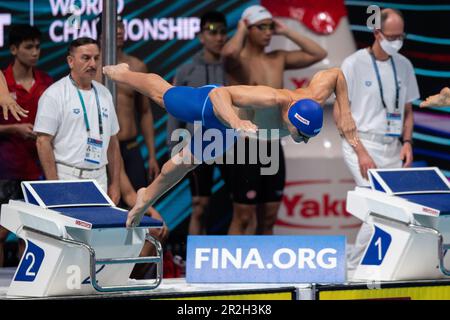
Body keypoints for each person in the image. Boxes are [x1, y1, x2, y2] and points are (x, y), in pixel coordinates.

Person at [102, 63, 358, 228]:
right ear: (289, 116)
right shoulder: (271, 99)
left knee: (182, 164)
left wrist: (344, 112)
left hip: (232, 131)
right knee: (164, 96)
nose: (303, 140)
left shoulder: (313, 97)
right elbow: (219, 94)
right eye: (300, 134)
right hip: (217, 109)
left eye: (308, 137)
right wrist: (236, 122)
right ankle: (124, 73)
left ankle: (145, 196)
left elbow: (335, 74)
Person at [221, 5, 328, 235]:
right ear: (248, 29)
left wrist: (286, 31)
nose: (268, 32)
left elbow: (318, 53)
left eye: (271, 27)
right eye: (262, 27)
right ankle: (231, 271)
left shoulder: (277, 58)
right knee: (243, 216)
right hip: (245, 146)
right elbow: (228, 54)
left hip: (272, 144)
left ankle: (263, 271)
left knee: (269, 215)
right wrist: (241, 27)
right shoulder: (238, 62)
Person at [339, 9, 420, 270]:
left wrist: (407, 142)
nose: (397, 41)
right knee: (377, 207)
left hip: (392, 145)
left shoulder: (404, 64)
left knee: (398, 209)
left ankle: (385, 265)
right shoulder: (353, 64)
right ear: (377, 33)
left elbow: (407, 110)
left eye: (401, 35)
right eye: (392, 36)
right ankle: (352, 268)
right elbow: (341, 113)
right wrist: (361, 151)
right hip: (360, 143)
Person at [34, 37, 121, 204]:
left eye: (96, 58)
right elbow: (42, 142)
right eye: (86, 58)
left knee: (97, 230)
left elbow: (113, 143)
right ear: (70, 61)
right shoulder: (54, 94)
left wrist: (115, 184)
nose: (93, 64)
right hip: (67, 177)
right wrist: (54, 186)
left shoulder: (105, 94)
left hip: (100, 178)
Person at [167, 11, 228, 235]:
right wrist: (173, 146)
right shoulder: (187, 70)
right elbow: (174, 111)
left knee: (235, 205)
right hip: (200, 145)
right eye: (213, 32)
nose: (219, 38)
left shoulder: (232, 68)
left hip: (231, 146)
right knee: (199, 206)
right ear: (201, 36)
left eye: (223, 32)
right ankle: (194, 263)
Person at [0, 24, 53, 267]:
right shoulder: (3, 81)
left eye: (38, 47)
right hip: (7, 171)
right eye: (28, 47)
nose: (35, 52)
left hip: (37, 172)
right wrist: (13, 129)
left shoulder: (46, 82)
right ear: (13, 49)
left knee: (31, 234)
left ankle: (28, 287)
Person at [96, 16, 159, 190]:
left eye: (121, 26)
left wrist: (152, 155)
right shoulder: (92, 67)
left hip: (130, 147)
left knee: (140, 202)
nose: (119, 31)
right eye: (113, 27)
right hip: (100, 148)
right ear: (101, 34)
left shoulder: (136, 67)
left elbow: (145, 112)